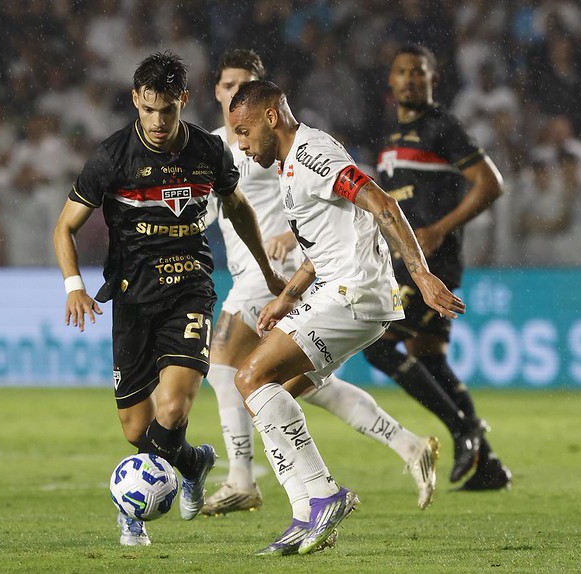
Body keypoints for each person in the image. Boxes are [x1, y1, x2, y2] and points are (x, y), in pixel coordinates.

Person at [53, 52, 286, 547]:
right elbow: (64, 227)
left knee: (174, 408)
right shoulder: (113, 156)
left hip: (189, 290)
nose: (158, 122)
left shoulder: (207, 150)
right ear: (135, 100)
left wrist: (267, 271)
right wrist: (74, 286)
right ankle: (194, 462)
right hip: (132, 299)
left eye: (167, 110)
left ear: (183, 99)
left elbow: (238, 207)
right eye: (148, 109)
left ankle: (132, 509)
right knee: (136, 429)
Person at [203, 49, 441, 524]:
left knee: (241, 376)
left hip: (348, 292)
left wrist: (420, 273)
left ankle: (288, 492)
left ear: (270, 115)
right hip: (336, 289)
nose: (241, 144)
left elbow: (381, 204)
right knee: (277, 393)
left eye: (245, 131)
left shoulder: (312, 155)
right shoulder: (287, 162)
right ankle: (380, 462)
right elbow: (327, 238)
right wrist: (288, 296)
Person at [364, 44, 511, 490]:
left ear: (434, 79)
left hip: (433, 263)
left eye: (419, 71)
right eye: (402, 71)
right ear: (390, 81)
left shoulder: (442, 126)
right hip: (404, 262)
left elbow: (491, 184)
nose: (410, 78)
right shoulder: (390, 135)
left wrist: (439, 230)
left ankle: (463, 430)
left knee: (378, 346)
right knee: (427, 355)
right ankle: (488, 465)